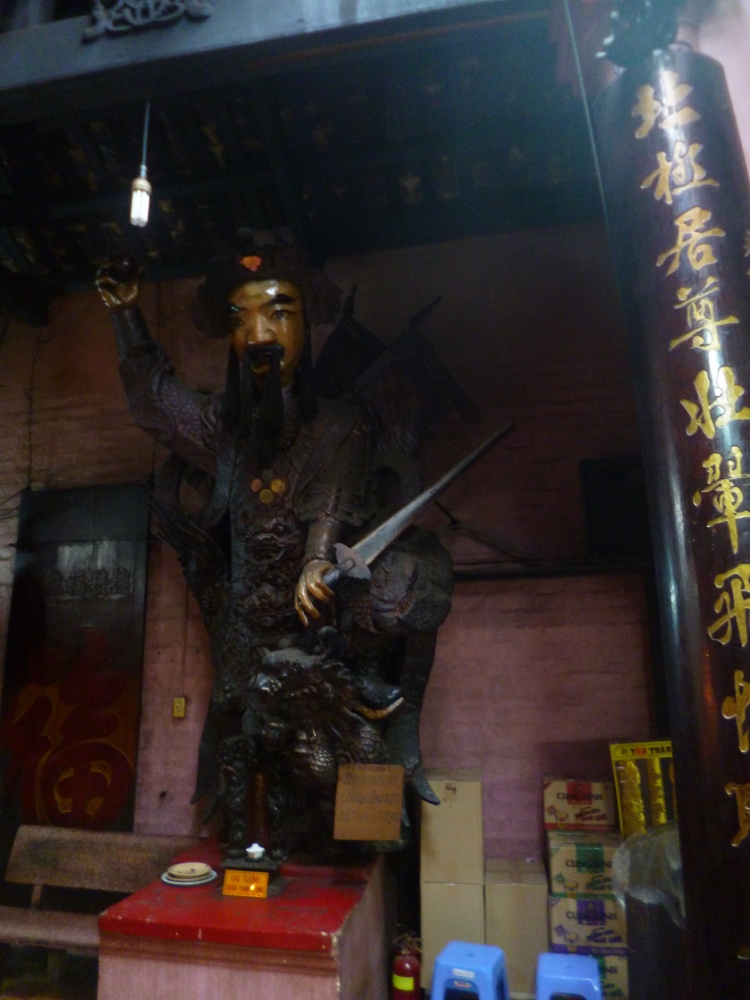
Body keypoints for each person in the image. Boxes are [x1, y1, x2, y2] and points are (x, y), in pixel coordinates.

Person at [96, 232, 455, 857]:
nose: (259, 333)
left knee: (349, 735)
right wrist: (126, 313)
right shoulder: (224, 430)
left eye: (278, 312)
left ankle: (361, 840)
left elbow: (331, 501)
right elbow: (156, 407)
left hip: (321, 633)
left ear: (305, 323)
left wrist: (316, 559)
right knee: (247, 759)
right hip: (247, 633)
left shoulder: (338, 423)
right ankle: (255, 843)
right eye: (243, 318)